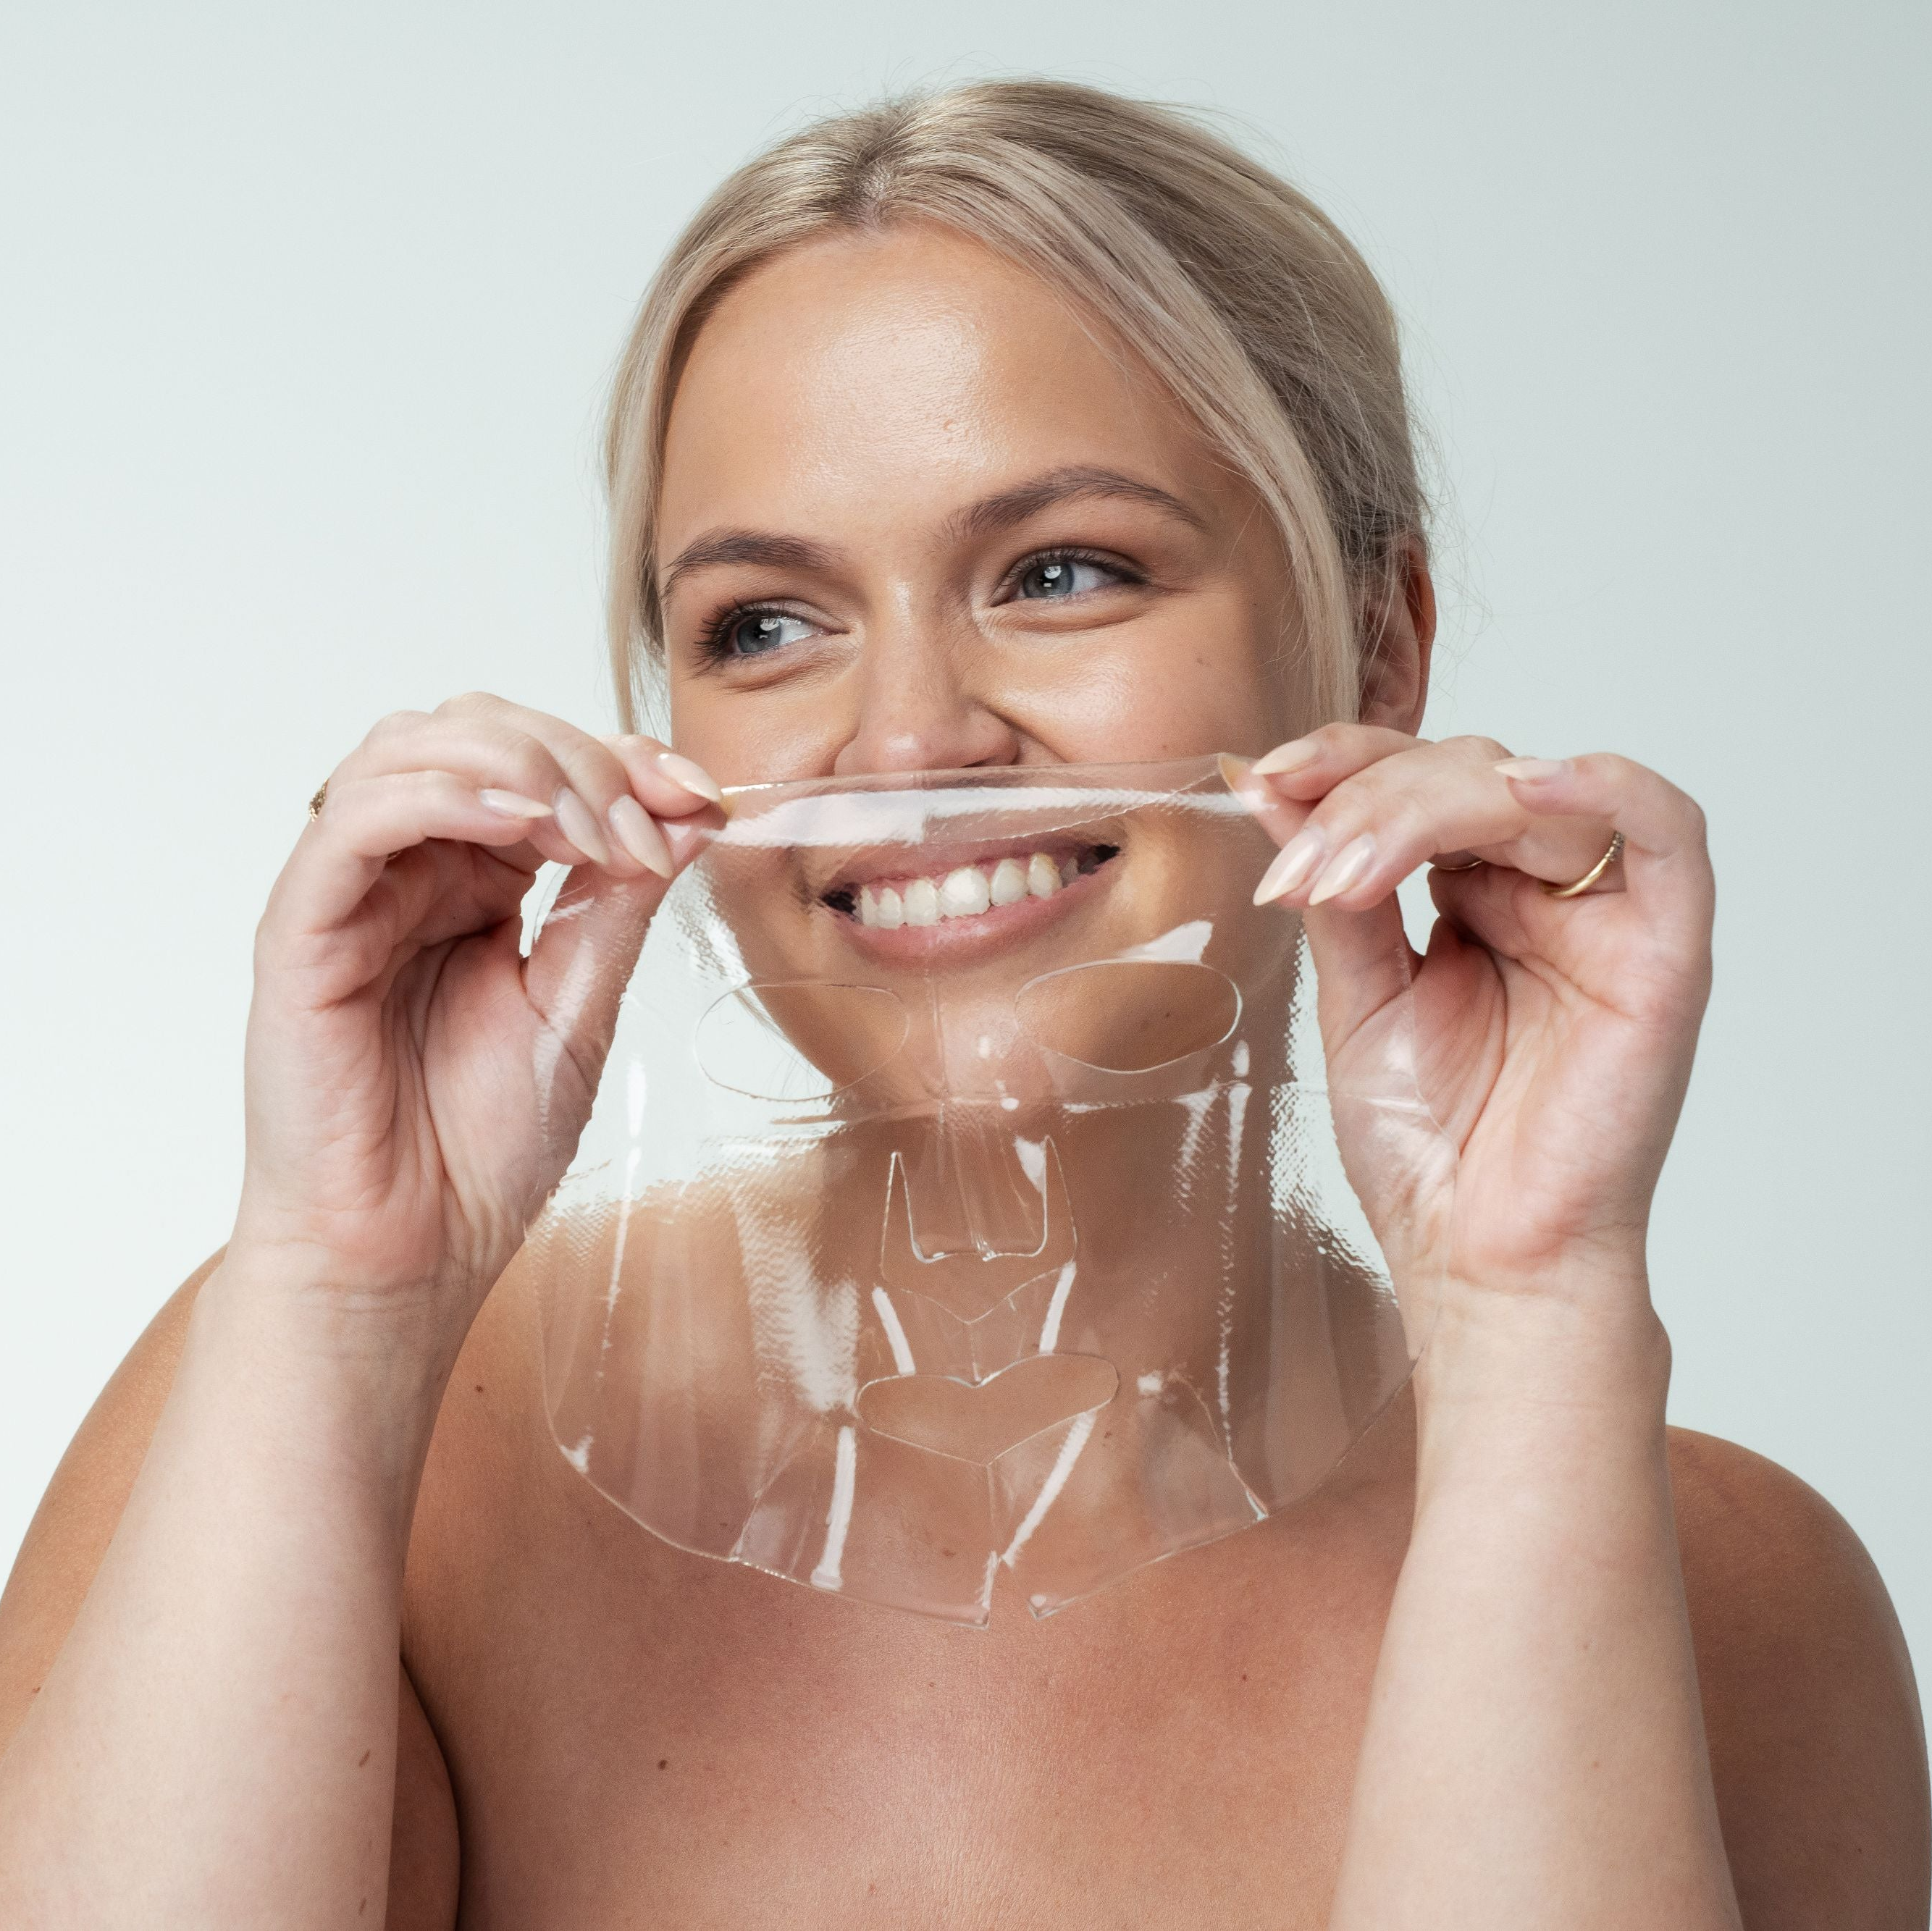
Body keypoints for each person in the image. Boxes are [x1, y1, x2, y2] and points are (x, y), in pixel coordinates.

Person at [0, 77, 1924, 1930]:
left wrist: (1530, 1313)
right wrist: (341, 1283)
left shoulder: (1728, 1595)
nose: (907, 738)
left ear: (1378, 646)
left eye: (1059, 573)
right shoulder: (348, 1429)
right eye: (763, 625)